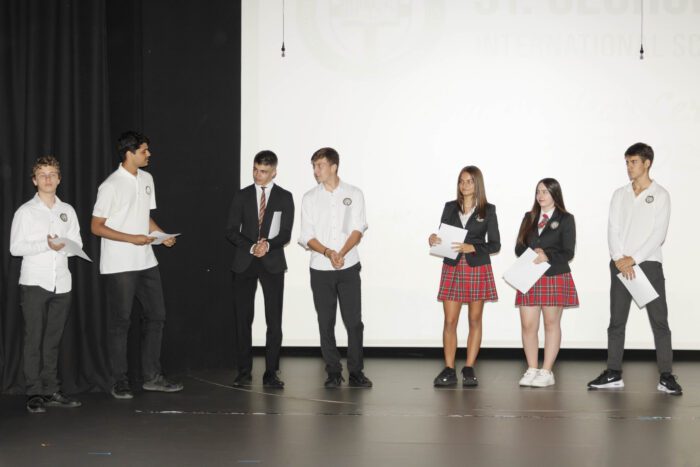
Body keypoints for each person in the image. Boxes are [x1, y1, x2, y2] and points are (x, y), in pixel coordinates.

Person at [91, 131, 183, 399]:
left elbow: (144, 217)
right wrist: (132, 238)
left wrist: (160, 235)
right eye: (144, 150)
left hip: (146, 261)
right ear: (129, 153)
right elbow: (96, 227)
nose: (149, 154)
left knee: (157, 316)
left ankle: (152, 377)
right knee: (121, 322)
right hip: (120, 265)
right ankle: (119, 380)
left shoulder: (147, 179)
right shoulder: (110, 185)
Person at [588, 142, 682, 395]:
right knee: (616, 321)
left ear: (647, 163)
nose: (629, 167)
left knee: (659, 321)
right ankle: (613, 372)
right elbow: (613, 228)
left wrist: (634, 259)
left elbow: (658, 234)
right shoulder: (620, 194)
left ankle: (666, 376)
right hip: (620, 265)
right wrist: (619, 258)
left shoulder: (661, 194)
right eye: (627, 162)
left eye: (634, 162)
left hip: (649, 264)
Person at [10, 156, 83, 413]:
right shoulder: (25, 212)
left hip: (62, 284)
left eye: (52, 174)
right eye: (42, 175)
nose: (48, 179)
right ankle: (34, 392)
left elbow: (77, 244)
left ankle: (51, 389)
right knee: (34, 339)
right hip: (34, 283)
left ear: (59, 179)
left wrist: (64, 246)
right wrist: (46, 244)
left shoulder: (68, 211)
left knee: (52, 340)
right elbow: (15, 248)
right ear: (34, 180)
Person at [298, 147, 372, 388]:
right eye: (313, 166)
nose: (315, 171)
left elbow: (358, 229)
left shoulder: (354, 193)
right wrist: (328, 252)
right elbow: (306, 236)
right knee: (326, 322)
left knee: (354, 322)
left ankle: (356, 372)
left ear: (333, 167)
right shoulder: (309, 198)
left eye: (319, 166)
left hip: (348, 266)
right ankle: (332, 371)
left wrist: (341, 253)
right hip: (320, 269)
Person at [226, 150, 294, 388]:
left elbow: (285, 233)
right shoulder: (242, 195)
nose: (258, 175)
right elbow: (231, 230)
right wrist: (252, 246)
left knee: (274, 320)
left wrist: (268, 245)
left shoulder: (284, 197)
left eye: (263, 171)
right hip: (244, 262)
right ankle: (244, 372)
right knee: (243, 319)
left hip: (272, 262)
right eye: (255, 169)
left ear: (274, 172)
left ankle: (271, 373)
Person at [428, 166, 500, 387]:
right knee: (450, 321)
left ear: (477, 184)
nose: (465, 185)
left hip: (476, 267)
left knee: (474, 320)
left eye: (469, 181)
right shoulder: (450, 207)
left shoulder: (488, 210)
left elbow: (495, 244)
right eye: (461, 181)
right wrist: (433, 238)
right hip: (452, 266)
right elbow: (442, 236)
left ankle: (469, 367)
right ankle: (449, 369)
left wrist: (473, 247)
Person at [514, 178, 578, 388]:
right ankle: (532, 368)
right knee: (528, 325)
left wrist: (547, 255)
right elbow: (518, 247)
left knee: (551, 324)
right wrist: (532, 253)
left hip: (554, 275)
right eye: (538, 191)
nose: (540, 196)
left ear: (554, 194)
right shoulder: (529, 217)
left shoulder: (566, 219)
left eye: (545, 192)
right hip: (529, 275)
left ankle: (547, 371)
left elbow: (568, 252)